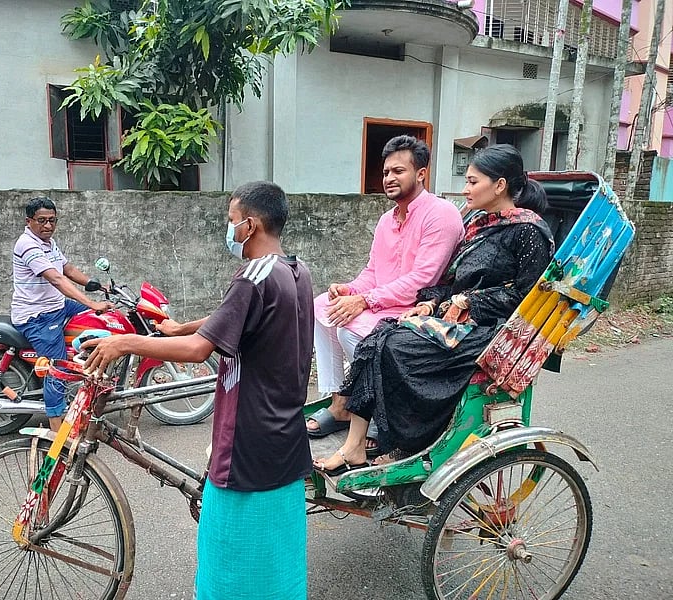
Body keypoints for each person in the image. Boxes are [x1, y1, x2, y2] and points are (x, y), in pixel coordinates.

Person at [82, 181, 315, 600]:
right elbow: (230, 318)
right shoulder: (295, 270)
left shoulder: (252, 275)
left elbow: (198, 350)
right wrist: (180, 326)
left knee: (229, 557)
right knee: (277, 556)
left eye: (231, 222)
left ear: (251, 224)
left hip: (247, 435)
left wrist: (124, 342)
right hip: (284, 434)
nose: (229, 231)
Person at [313, 144, 554, 474]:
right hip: (456, 321)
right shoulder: (477, 227)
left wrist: (469, 301)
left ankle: (405, 440)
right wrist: (430, 302)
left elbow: (528, 298)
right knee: (381, 336)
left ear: (499, 185)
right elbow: (451, 281)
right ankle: (354, 445)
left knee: (392, 346)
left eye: (472, 182)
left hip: (492, 331)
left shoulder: (529, 232)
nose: (466, 189)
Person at [307, 135, 465, 454]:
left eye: (398, 171)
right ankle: (341, 403)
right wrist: (349, 290)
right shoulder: (386, 220)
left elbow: (424, 278)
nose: (389, 178)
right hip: (385, 304)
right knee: (322, 306)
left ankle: (379, 409)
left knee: (349, 329)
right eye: (386, 172)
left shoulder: (441, 214)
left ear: (421, 173)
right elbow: (374, 272)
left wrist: (364, 300)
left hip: (419, 310)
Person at [10, 196, 112, 432]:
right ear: (29, 221)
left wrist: (96, 286)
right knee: (59, 369)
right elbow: (55, 278)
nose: (47, 226)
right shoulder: (27, 244)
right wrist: (90, 302)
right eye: (42, 221)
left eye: (52, 221)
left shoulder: (48, 242)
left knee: (105, 319)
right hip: (38, 316)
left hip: (58, 306)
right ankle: (57, 428)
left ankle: (90, 377)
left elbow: (67, 269)